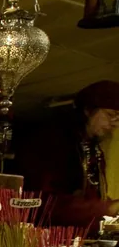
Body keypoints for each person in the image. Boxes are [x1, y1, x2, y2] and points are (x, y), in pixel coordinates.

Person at [14, 80, 119, 227]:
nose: (115, 123)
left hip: (81, 238)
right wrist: (107, 208)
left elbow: (91, 196)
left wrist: (109, 207)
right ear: (88, 110)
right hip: (47, 238)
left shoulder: (94, 150)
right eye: (110, 114)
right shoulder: (52, 141)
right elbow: (44, 202)